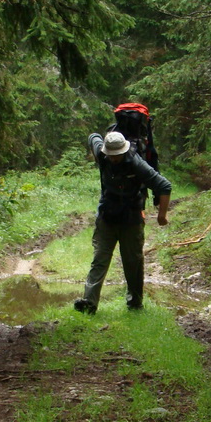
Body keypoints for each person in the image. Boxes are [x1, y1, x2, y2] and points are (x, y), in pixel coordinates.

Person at [73, 131, 172, 314]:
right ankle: (89, 303)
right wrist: (95, 150)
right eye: (111, 155)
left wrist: (162, 216)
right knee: (99, 260)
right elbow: (93, 136)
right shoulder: (102, 154)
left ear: (124, 151)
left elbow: (164, 186)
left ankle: (135, 303)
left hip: (131, 219)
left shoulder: (136, 163)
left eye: (117, 155)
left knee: (132, 262)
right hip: (106, 217)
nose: (114, 158)